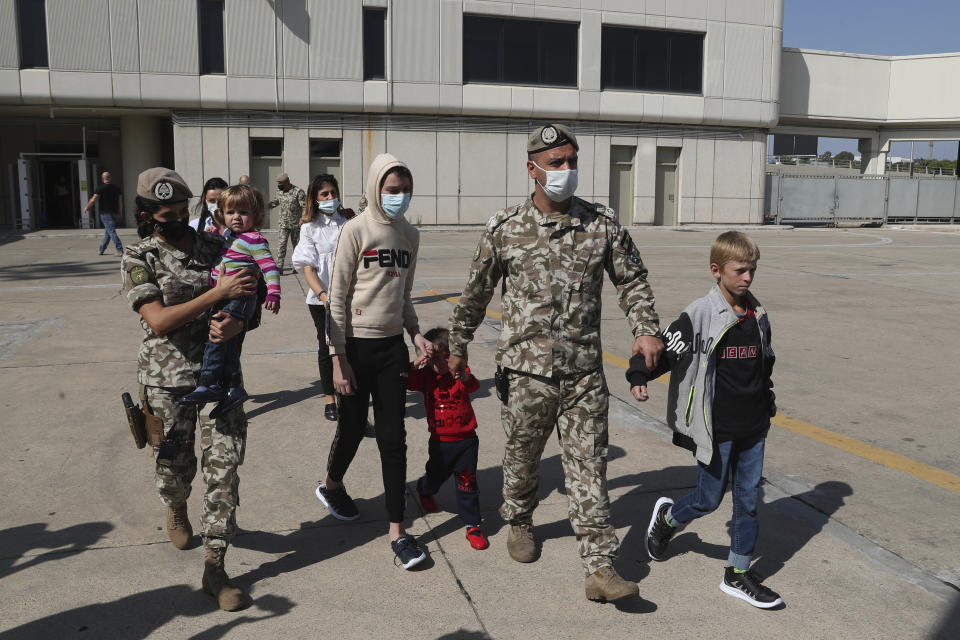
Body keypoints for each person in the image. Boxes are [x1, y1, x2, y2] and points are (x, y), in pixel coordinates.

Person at [447, 124, 663, 603]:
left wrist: (645, 327)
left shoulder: (600, 224)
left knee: (589, 465)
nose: (566, 171)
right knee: (522, 459)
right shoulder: (505, 228)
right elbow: (475, 292)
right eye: (556, 163)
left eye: (571, 161)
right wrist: (457, 344)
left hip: (584, 373)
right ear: (532, 169)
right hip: (524, 375)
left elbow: (632, 281)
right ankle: (519, 519)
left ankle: (600, 566)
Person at [120, 167, 258, 611]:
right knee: (175, 468)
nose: (179, 220)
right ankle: (175, 504)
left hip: (220, 378)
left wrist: (241, 317)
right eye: (168, 214)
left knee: (224, 466)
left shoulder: (216, 245)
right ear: (147, 214)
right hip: (167, 380)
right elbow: (157, 320)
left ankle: (215, 564)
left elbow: (249, 294)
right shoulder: (139, 256)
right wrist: (216, 296)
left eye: (184, 211)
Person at [628, 231, 783, 609]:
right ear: (717, 270)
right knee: (708, 500)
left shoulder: (758, 314)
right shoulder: (700, 313)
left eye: (752, 270)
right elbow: (665, 351)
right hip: (717, 430)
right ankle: (668, 520)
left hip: (754, 426)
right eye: (740, 270)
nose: (747, 278)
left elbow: (765, 364)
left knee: (747, 502)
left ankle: (738, 573)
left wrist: (768, 402)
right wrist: (638, 377)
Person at [317, 153, 434, 570]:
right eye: (392, 189)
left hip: (390, 352)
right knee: (350, 428)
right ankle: (331, 485)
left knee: (393, 438)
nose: (399, 197)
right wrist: (337, 359)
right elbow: (337, 297)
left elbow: (403, 297)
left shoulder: (410, 236)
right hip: (354, 347)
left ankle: (398, 533)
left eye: (405, 190)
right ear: (375, 188)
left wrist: (416, 333)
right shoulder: (355, 230)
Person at [179, 184, 281, 415]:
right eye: (231, 212)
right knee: (230, 347)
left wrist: (273, 293)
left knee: (216, 338)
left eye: (243, 212)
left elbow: (270, 267)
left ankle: (209, 383)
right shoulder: (231, 237)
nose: (236, 217)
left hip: (240, 297)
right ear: (222, 214)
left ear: (255, 216)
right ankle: (235, 389)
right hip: (226, 296)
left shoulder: (254, 239)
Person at [408, 328, 488, 551]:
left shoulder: (459, 373)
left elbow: (474, 385)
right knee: (435, 475)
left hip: (466, 441)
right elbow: (406, 381)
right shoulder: (425, 376)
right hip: (440, 442)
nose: (442, 364)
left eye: (447, 357)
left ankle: (473, 525)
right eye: (435, 358)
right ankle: (424, 488)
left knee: (468, 483)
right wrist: (418, 362)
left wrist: (464, 375)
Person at [291, 174, 355, 422]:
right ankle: (330, 399)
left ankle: (349, 395)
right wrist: (324, 295)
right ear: (315, 199)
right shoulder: (309, 227)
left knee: (350, 346)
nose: (330, 198)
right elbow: (308, 268)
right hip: (322, 300)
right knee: (327, 346)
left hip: (349, 297)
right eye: (324, 194)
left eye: (333, 192)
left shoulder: (348, 222)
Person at [267, 173, 306, 274]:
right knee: (281, 245)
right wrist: (266, 205)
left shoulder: (298, 192)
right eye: (278, 183)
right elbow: (276, 202)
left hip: (296, 224)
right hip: (283, 223)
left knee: (297, 246)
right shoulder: (279, 191)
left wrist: (303, 219)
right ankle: (279, 268)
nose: (278, 185)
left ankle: (297, 267)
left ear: (287, 182)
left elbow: (305, 206)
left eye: (280, 183)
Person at [85, 171, 123, 255]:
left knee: (111, 231)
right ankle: (101, 250)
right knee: (108, 232)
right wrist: (120, 212)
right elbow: (120, 201)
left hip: (106, 214)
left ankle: (120, 250)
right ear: (110, 178)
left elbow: (93, 199)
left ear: (103, 179)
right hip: (115, 213)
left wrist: (87, 207)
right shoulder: (117, 188)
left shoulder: (100, 188)